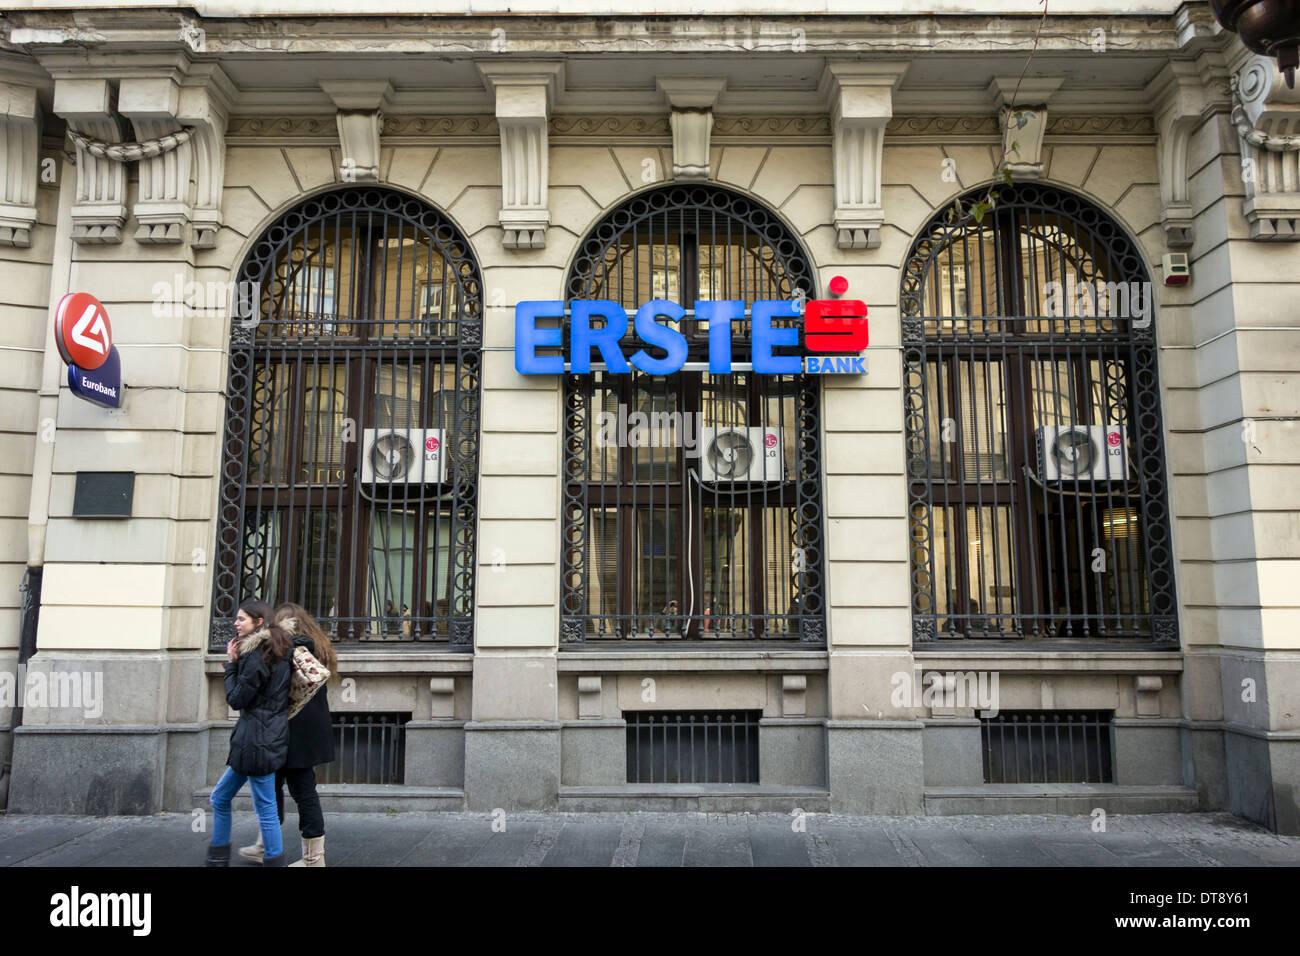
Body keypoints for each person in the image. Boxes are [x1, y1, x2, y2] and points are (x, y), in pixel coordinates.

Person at [239, 602, 337, 867]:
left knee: (293, 791)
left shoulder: (284, 649)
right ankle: (269, 847)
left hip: (287, 730)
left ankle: (312, 860)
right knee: (284, 788)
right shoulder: (317, 647)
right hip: (308, 731)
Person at [205, 599, 292, 867]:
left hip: (256, 742)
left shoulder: (256, 657)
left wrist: (231, 665)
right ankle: (218, 856)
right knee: (220, 797)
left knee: (265, 808)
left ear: (259, 623)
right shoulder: (278, 650)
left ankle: (272, 860)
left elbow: (236, 699)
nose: (235, 623)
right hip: (260, 739)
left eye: (241, 619)